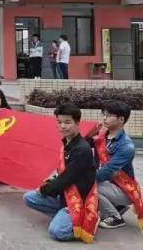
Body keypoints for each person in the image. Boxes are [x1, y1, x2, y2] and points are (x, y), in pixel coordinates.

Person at [23, 104, 98, 243]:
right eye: (59, 122)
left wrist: (45, 189)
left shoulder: (82, 148)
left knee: (57, 232)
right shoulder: (67, 144)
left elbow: (67, 178)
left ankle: (85, 220)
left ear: (77, 123)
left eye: (67, 122)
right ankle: (64, 218)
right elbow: (66, 174)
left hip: (78, 201)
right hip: (64, 196)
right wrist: (54, 179)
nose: (62, 126)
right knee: (29, 197)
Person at [94, 101, 142, 230]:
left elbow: (108, 171)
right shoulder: (103, 136)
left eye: (109, 115)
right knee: (89, 181)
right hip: (112, 184)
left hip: (124, 189)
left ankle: (115, 217)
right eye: (104, 114)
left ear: (121, 119)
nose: (104, 118)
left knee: (88, 185)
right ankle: (118, 207)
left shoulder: (126, 146)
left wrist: (84, 178)